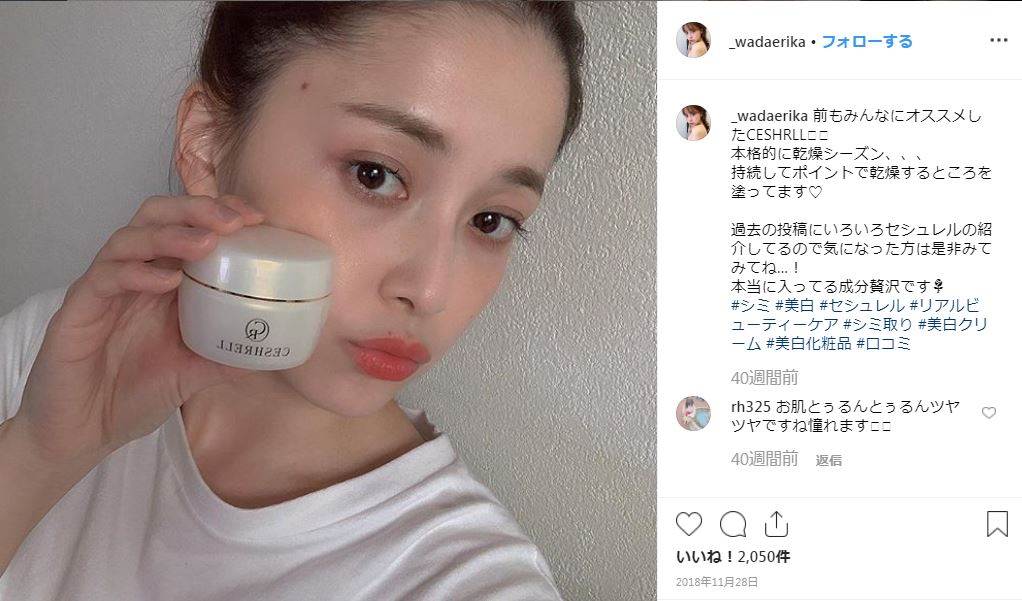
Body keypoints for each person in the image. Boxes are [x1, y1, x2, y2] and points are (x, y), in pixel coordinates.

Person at [0, 2, 585, 599]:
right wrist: (40, 454)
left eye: (491, 220)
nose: (431, 291)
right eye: (375, 175)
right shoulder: (50, 357)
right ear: (206, 143)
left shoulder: (467, 581)